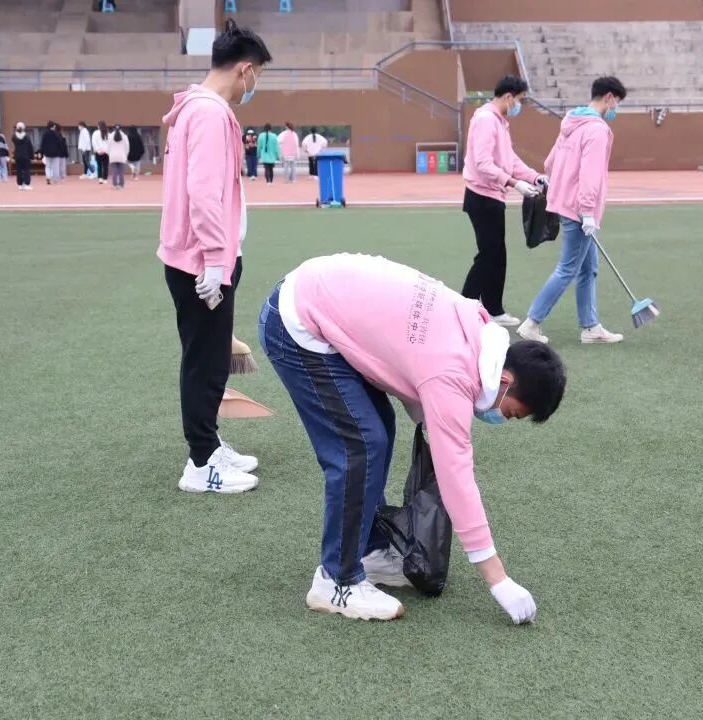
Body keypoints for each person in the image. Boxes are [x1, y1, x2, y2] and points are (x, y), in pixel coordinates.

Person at [258, 253, 566, 622]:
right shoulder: (452, 374)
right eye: (512, 412)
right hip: (297, 321)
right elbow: (457, 480)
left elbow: (410, 361)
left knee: (378, 427)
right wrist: (498, 580)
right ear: (505, 380)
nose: (503, 418)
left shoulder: (477, 328)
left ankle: (369, 551)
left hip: (320, 295)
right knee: (361, 444)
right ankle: (336, 581)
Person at [158, 18, 272, 493]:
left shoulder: (196, 108)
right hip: (201, 262)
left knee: (207, 357)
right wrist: (214, 261)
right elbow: (204, 193)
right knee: (205, 362)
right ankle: (201, 463)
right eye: (258, 75)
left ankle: (208, 443)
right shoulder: (208, 114)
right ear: (245, 69)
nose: (255, 85)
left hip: (198, 257)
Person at [518, 77, 628, 346]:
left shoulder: (571, 122)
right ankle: (532, 322)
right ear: (609, 98)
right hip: (579, 210)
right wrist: (587, 211)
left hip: (567, 204)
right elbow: (590, 173)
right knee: (567, 268)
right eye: (617, 102)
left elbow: (550, 162)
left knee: (588, 268)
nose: (616, 108)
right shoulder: (597, 130)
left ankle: (590, 326)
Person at [460, 76, 545, 328]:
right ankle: (465, 307)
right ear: (508, 97)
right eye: (519, 100)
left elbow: (510, 159)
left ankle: (493, 308)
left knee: (497, 254)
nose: (519, 105)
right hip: (482, 196)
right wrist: (514, 183)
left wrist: (534, 177)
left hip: (492, 196)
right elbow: (483, 164)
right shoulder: (487, 120)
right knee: (489, 255)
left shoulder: (499, 121)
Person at [12, 122, 34, 190]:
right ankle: (26, 184)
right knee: (26, 170)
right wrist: (32, 156)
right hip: (26, 155)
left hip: (17, 155)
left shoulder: (14, 136)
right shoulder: (27, 136)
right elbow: (30, 147)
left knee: (19, 170)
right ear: (24, 128)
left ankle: (20, 184)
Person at [107, 124, 129, 189]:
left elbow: (108, 147)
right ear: (121, 129)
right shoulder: (124, 136)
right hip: (122, 156)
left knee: (114, 172)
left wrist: (109, 154)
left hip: (113, 156)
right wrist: (126, 154)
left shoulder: (110, 136)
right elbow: (127, 147)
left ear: (114, 128)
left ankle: (115, 185)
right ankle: (121, 185)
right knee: (121, 172)